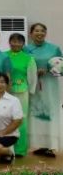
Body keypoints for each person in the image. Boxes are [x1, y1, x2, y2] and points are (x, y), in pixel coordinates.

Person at [25, 23, 62, 158]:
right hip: (33, 85)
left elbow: (61, 67)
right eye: (36, 31)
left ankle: (51, 145)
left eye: (42, 31)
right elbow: (23, 66)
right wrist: (34, 72)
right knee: (35, 112)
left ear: (45, 33)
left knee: (50, 111)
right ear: (31, 33)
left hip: (50, 85)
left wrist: (48, 70)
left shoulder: (54, 48)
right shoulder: (26, 49)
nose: (39, 33)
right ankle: (38, 144)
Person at [6, 33, 37, 157]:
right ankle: (7, 148)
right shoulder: (4, 56)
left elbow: (32, 76)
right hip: (5, 91)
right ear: (9, 42)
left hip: (22, 92)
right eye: (13, 41)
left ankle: (20, 149)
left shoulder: (28, 58)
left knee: (21, 119)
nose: (16, 44)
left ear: (23, 44)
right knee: (6, 119)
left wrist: (31, 91)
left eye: (19, 41)